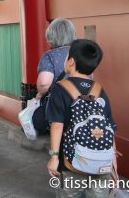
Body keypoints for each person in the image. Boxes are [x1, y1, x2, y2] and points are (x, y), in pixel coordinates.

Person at [46, 39, 117, 197]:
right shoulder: (99, 90)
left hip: (72, 163)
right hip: (101, 165)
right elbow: (109, 127)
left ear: (70, 62)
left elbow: (57, 125)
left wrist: (54, 157)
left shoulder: (60, 88)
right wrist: (113, 164)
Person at [32, 18, 77, 134]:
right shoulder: (80, 52)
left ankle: (57, 152)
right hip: (82, 102)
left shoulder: (50, 56)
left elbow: (44, 83)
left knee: (60, 135)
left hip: (61, 105)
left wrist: (40, 93)